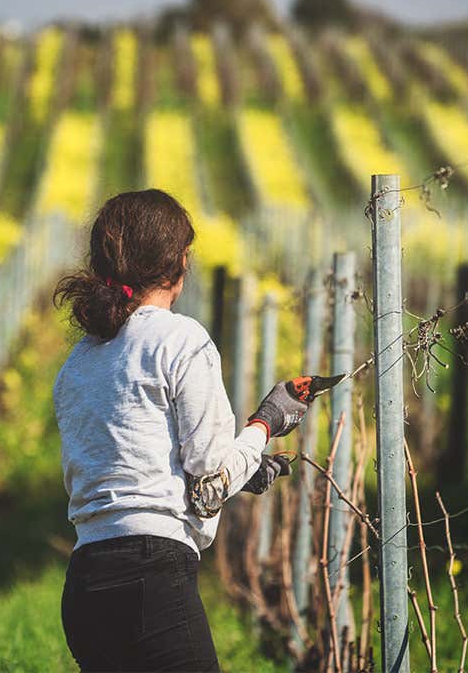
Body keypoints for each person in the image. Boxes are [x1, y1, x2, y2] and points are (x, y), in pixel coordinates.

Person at [52, 189, 309, 672]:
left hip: (86, 584)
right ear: (177, 264)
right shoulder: (180, 338)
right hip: (150, 576)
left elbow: (141, 461)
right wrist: (265, 424)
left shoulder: (78, 362)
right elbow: (209, 480)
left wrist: (245, 466)